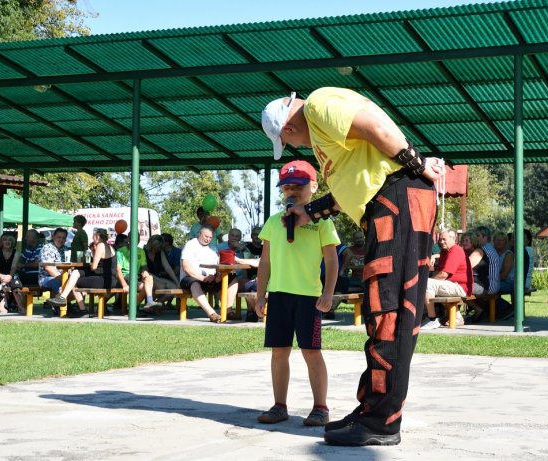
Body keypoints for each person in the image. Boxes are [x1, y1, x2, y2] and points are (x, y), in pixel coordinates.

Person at [262, 87, 443, 446]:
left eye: (288, 141)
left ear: (287, 129)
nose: (296, 146)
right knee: (382, 311)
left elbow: (376, 125)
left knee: (390, 312)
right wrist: (310, 211)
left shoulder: (318, 105)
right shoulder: (325, 134)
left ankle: (382, 421)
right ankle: (372, 408)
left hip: (397, 199)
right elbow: (354, 187)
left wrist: (418, 164)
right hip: (386, 203)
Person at [254, 160, 340, 428]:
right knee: (279, 352)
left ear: (313, 187)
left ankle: (320, 407)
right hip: (279, 295)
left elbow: (333, 260)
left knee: (311, 351)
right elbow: (265, 262)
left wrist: (328, 293)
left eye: (298, 186)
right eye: (287, 186)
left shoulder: (321, 223)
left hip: (308, 298)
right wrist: (260, 295)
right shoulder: (272, 222)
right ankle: (280, 405)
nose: (292, 191)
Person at [180, 225, 237, 322]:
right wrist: (202, 278)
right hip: (191, 277)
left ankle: (227, 309)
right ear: (199, 234)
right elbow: (186, 267)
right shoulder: (190, 245)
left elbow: (218, 265)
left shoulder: (213, 248)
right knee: (194, 283)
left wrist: (218, 275)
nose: (208, 239)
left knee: (232, 277)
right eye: (206, 236)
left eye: (210, 237)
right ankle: (212, 313)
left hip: (210, 278)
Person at [422, 229, 472, 329]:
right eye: (440, 239)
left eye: (444, 239)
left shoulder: (456, 250)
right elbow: (439, 272)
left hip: (461, 287)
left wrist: (428, 281)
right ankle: (458, 317)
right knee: (427, 284)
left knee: (426, 284)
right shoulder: (445, 252)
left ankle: (432, 319)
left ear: (453, 239)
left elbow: (444, 274)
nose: (441, 241)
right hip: (453, 284)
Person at [39, 228, 87, 317]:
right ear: (53, 237)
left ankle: (55, 303)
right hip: (47, 278)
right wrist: (65, 279)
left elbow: (71, 265)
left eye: (63, 238)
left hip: (63, 276)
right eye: (59, 237)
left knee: (83, 289)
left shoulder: (65, 249)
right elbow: (49, 269)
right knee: (71, 285)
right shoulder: (47, 248)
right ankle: (81, 310)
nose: (61, 240)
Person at [114, 233, 161, 314]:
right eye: (134, 237)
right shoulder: (120, 251)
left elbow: (144, 266)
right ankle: (135, 307)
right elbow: (118, 270)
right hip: (126, 275)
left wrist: (145, 271)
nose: (136, 240)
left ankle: (149, 302)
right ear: (128, 239)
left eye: (138, 238)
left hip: (137, 276)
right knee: (146, 287)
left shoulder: (141, 251)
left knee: (150, 278)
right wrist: (124, 285)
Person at [144, 234, 180, 309]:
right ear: (151, 245)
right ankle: (150, 304)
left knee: (175, 287)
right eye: (157, 247)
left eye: (160, 247)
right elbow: (144, 271)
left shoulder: (160, 252)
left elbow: (167, 268)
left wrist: (176, 281)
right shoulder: (143, 252)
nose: (158, 249)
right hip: (146, 277)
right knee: (163, 285)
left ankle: (156, 304)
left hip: (158, 276)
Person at [0, 233, 21, 313]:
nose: (7, 242)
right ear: (1, 242)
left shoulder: (16, 253)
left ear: (13, 242)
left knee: (15, 283)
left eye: (10, 240)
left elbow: (13, 267)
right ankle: (4, 300)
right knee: (1, 282)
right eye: (5, 240)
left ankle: (15, 303)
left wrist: (10, 276)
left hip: (12, 275)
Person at [473, 226, 500, 295]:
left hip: (489, 287)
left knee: (462, 288)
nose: (475, 238)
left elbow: (469, 266)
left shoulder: (482, 250)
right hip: (494, 285)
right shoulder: (490, 248)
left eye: (477, 236)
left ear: (485, 237)